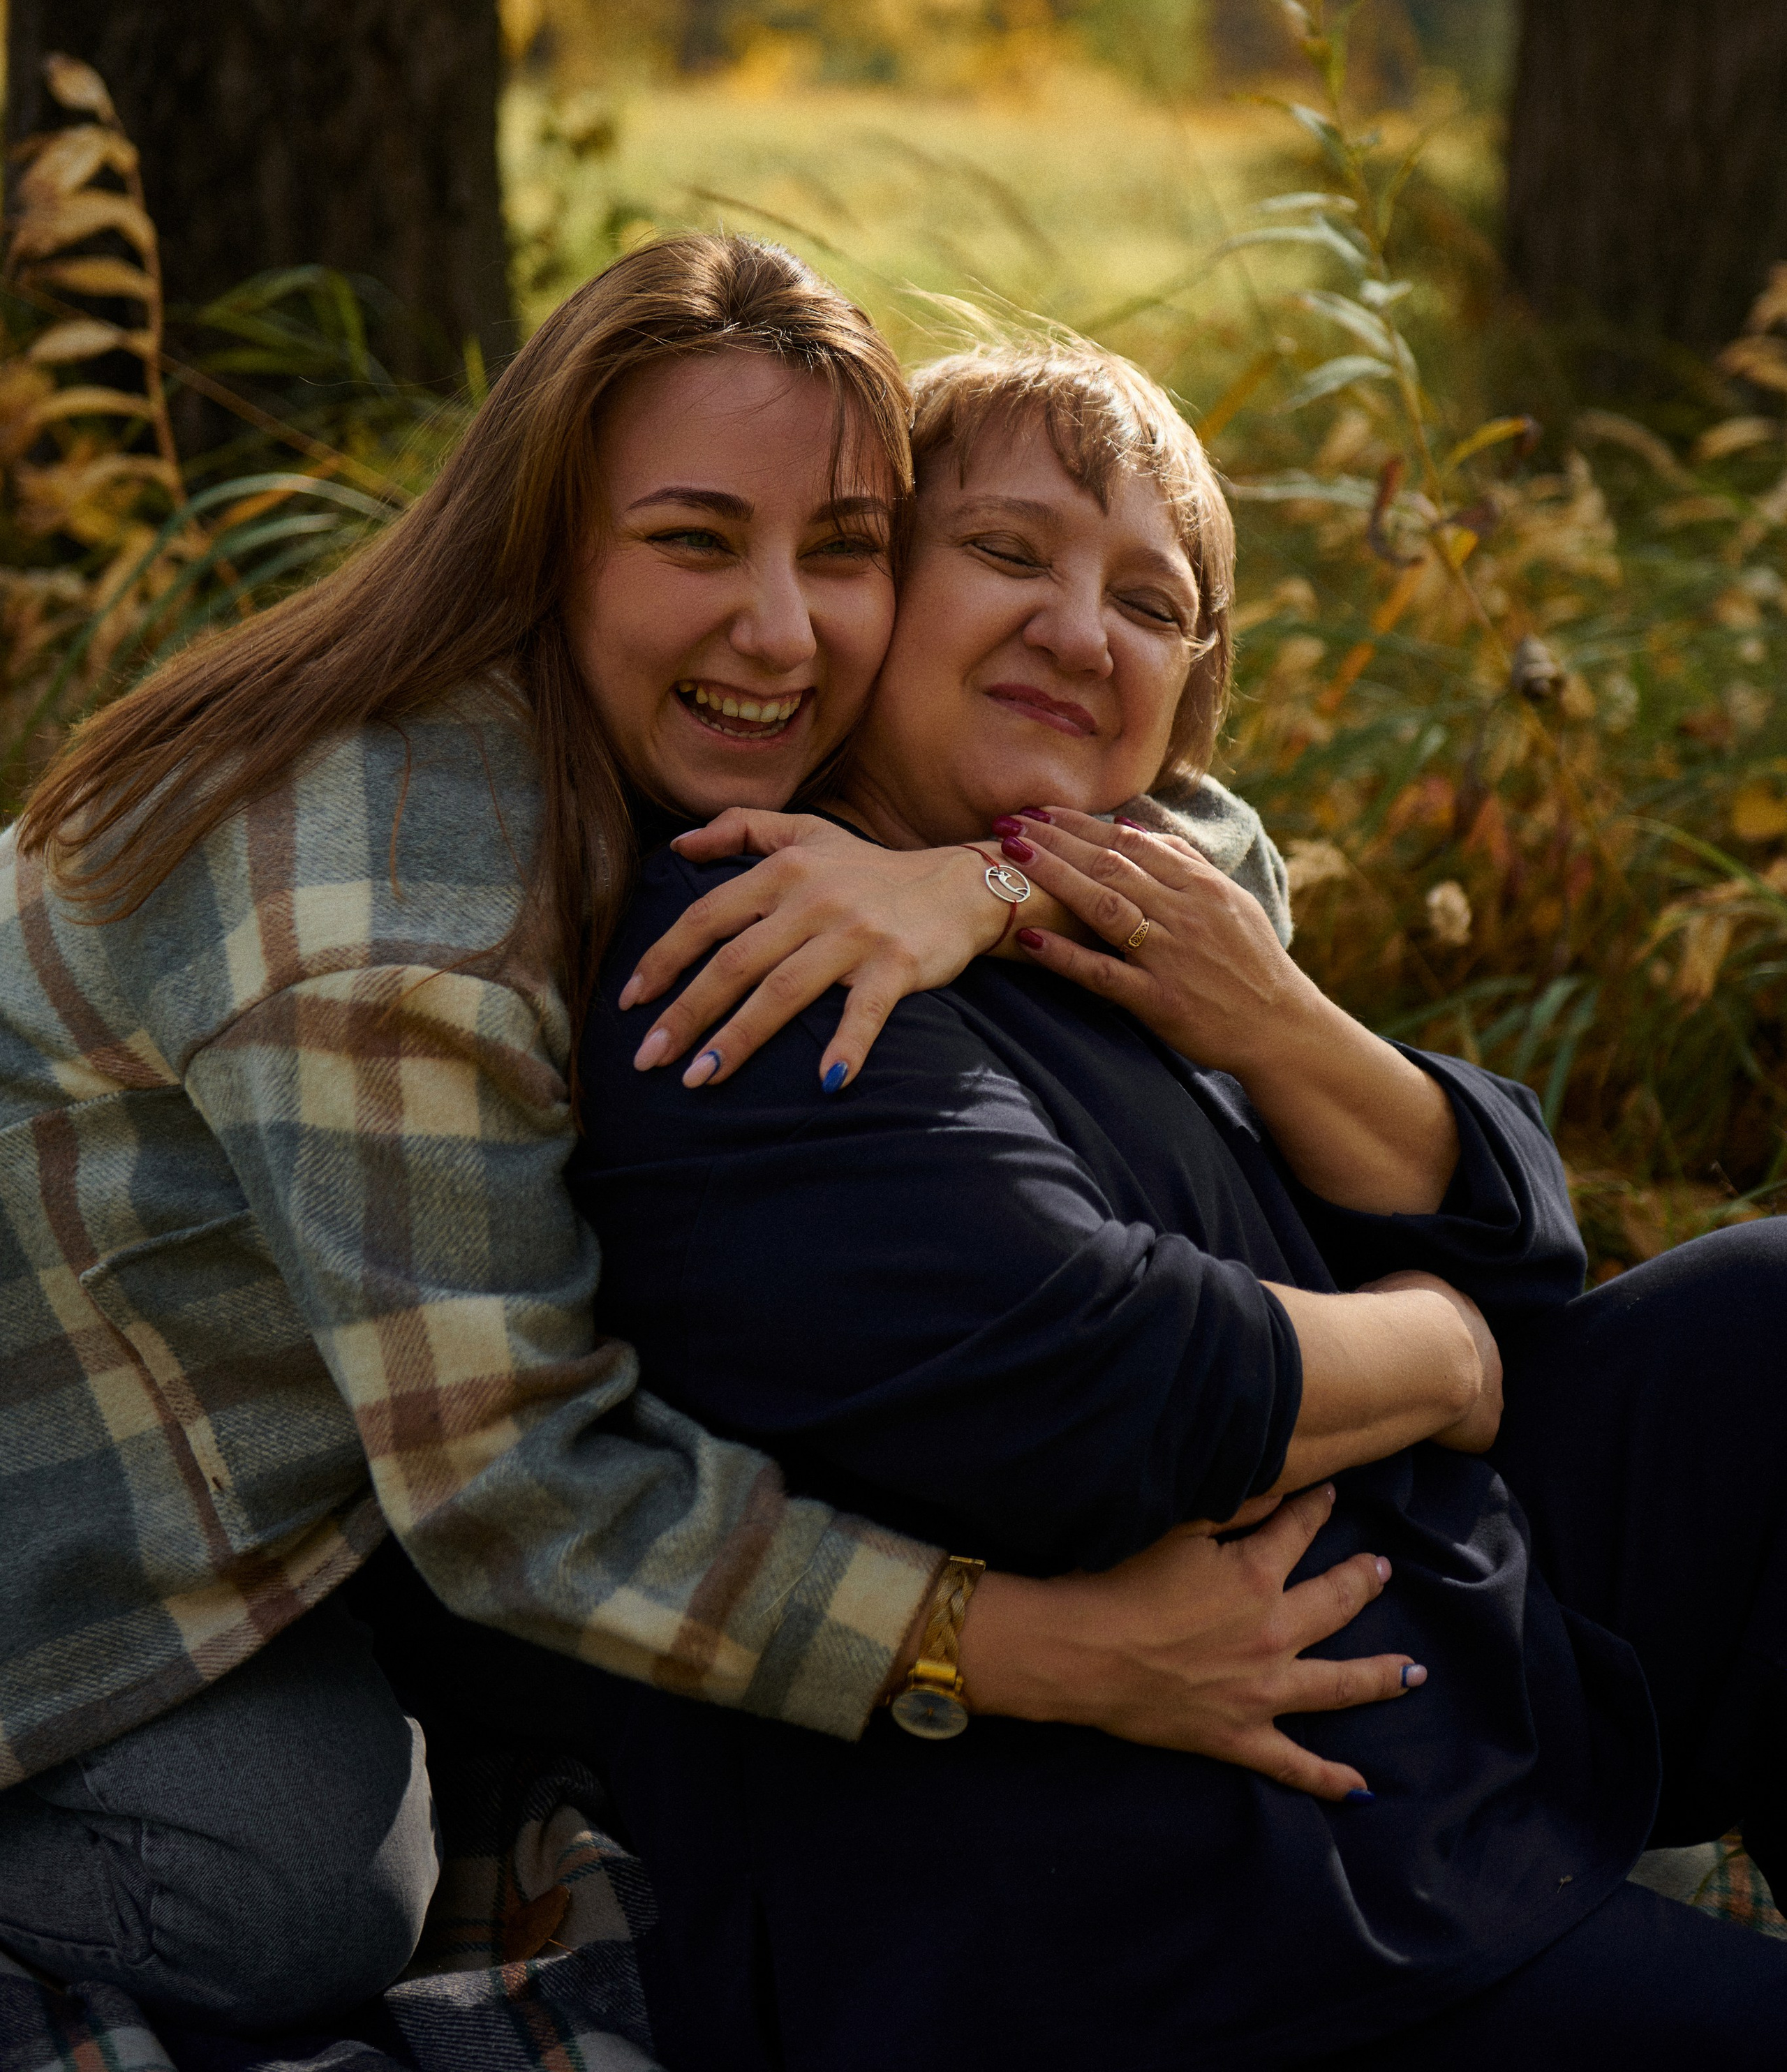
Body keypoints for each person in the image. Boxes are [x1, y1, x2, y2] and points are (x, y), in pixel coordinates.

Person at [0, 237, 1400, 2032]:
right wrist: (1045, 1656)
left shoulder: (714, 728)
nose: (782, 627)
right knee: (292, 1894)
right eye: (690, 541)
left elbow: (1191, 832)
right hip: (76, 1524)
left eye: (840, 550)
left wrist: (973, 881)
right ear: (544, 548)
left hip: (320, 1472)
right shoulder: (391, 910)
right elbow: (516, 1496)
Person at [571, 338, 1787, 2070]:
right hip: (1168, 1891)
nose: (1082, 632)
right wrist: (1436, 1359)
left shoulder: (1099, 907)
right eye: (1005, 555)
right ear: (865, 592)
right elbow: (1103, 1386)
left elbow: (1522, 1232)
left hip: (1421, 1667)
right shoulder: (766, 951)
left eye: (1147, 601)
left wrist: (1270, 1018)